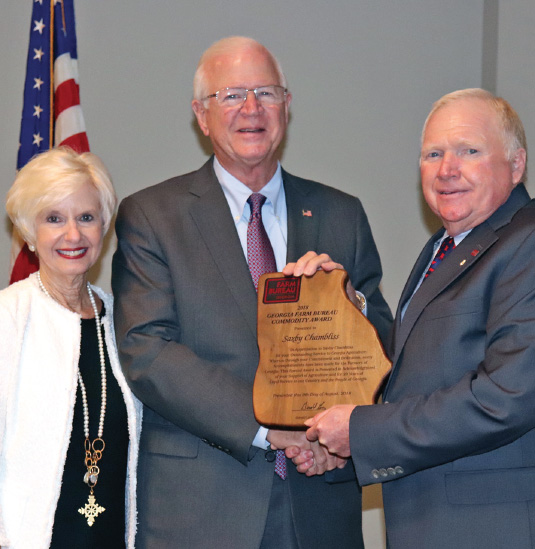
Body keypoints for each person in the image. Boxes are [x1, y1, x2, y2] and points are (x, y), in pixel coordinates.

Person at [112, 36, 392, 548]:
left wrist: (349, 308)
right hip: (203, 508)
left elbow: (385, 342)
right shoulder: (152, 216)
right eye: (232, 94)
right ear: (201, 114)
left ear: (287, 106)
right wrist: (271, 427)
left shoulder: (341, 214)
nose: (251, 108)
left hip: (320, 501)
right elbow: (148, 352)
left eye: (266, 92)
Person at [299, 88, 535, 548]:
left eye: (469, 150)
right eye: (433, 153)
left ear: (517, 164)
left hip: (492, 527)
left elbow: (508, 394)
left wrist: (363, 432)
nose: (448, 168)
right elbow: (418, 371)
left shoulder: (525, 243)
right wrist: (343, 306)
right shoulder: (445, 247)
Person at [0, 147, 142, 549]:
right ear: (29, 232)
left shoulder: (123, 321)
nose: (73, 235)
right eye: (54, 219)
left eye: (86, 217)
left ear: (104, 226)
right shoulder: (7, 318)